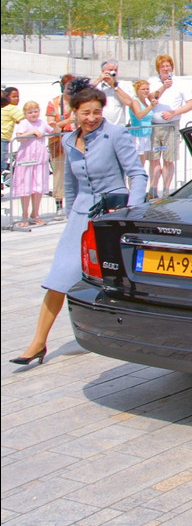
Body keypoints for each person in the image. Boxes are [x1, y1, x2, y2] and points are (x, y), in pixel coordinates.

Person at [10, 79, 146, 367]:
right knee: (59, 276)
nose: (92, 118)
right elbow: (71, 186)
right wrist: (72, 218)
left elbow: (138, 175)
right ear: (74, 112)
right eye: (86, 112)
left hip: (113, 213)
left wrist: (130, 212)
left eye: (97, 112)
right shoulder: (69, 140)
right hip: (82, 214)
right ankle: (37, 343)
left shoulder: (116, 134)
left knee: (119, 279)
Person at [148, 55, 191, 198]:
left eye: (168, 66)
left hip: (171, 127)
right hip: (154, 126)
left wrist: (174, 113)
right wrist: (164, 87)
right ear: (158, 69)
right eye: (163, 67)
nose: (166, 69)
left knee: (168, 159)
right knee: (154, 159)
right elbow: (151, 97)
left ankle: (166, 190)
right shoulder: (152, 82)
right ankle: (153, 189)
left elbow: (190, 103)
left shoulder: (180, 83)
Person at [12, 101, 52, 227]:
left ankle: (35, 214)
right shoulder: (24, 123)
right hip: (26, 159)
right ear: (25, 113)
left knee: (38, 187)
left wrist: (55, 125)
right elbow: (19, 138)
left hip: (40, 159)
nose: (33, 114)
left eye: (35, 111)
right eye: (30, 112)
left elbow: (52, 131)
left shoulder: (42, 122)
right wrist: (31, 132)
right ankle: (24, 215)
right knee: (25, 186)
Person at [45, 74, 76, 212]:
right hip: (58, 141)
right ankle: (59, 204)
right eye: (67, 86)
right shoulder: (54, 102)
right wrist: (67, 122)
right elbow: (51, 124)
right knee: (59, 173)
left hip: (76, 140)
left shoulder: (79, 102)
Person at [94, 59, 133, 127]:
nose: (113, 72)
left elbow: (128, 102)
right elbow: (84, 94)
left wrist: (114, 85)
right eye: (110, 70)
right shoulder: (98, 86)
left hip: (118, 126)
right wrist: (99, 80)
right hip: (101, 126)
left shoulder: (122, 85)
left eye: (115, 70)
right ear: (103, 71)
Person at [128, 80, 155, 167]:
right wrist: (151, 106)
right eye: (143, 89)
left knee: (143, 163)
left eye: (147, 89)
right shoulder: (135, 101)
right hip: (138, 135)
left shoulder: (146, 102)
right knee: (137, 164)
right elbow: (139, 115)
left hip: (146, 135)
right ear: (137, 91)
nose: (146, 91)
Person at [2, 86, 23, 175]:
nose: (16, 99)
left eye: (17, 96)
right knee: (1, 164)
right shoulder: (11, 108)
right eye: (13, 96)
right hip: (3, 139)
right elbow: (23, 120)